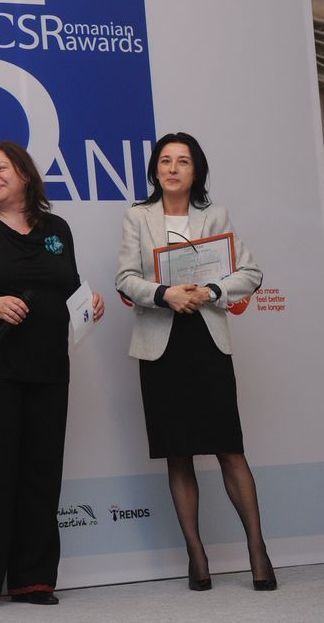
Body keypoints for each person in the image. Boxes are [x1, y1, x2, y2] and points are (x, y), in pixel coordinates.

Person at [0, 140, 104, 610]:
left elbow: (68, 286)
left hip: (49, 367)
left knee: (41, 472)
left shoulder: (57, 230)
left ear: (25, 174)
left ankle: (34, 579)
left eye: (0, 168)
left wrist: (90, 303)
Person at [114, 132, 272, 591]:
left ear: (196, 170)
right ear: (155, 170)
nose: (173, 168)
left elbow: (251, 272)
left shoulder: (215, 215)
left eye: (182, 161)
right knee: (178, 452)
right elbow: (125, 278)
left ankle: (258, 552)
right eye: (165, 160)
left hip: (206, 342)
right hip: (160, 346)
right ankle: (196, 557)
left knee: (229, 448)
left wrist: (212, 291)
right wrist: (165, 293)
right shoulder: (137, 216)